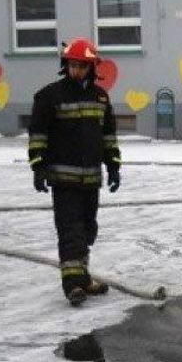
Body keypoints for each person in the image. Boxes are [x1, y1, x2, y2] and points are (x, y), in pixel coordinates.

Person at [28, 38, 122, 306]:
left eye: (82, 66)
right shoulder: (49, 96)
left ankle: (82, 278)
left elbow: (109, 138)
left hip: (91, 179)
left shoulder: (100, 97)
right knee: (71, 232)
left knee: (88, 230)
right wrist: (38, 167)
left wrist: (113, 167)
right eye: (72, 65)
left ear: (92, 67)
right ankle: (72, 286)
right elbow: (38, 135)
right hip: (64, 179)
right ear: (65, 65)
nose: (76, 71)